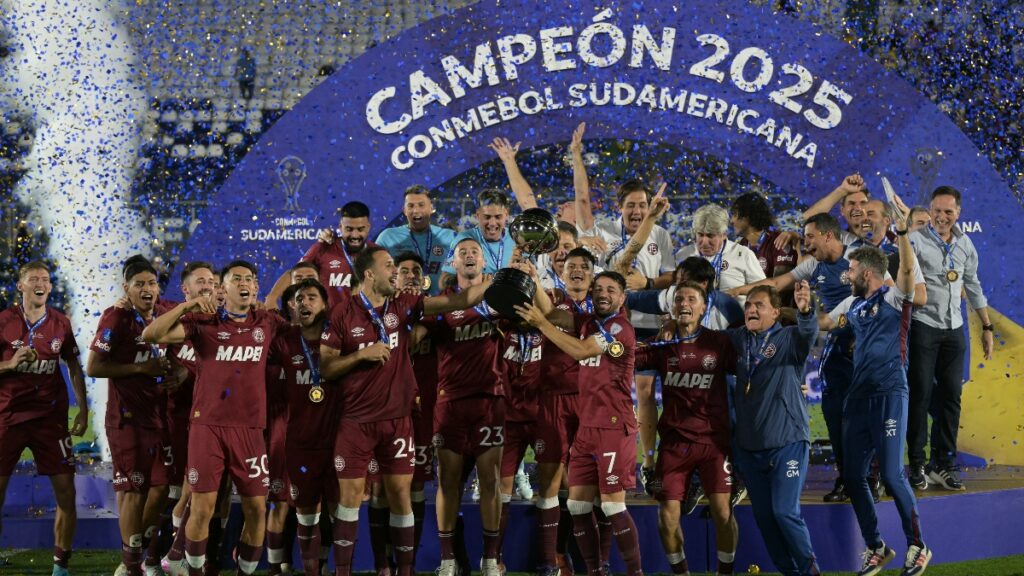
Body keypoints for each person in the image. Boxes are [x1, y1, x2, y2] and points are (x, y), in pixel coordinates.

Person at [319, 246, 490, 576]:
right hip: (355, 422)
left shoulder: (404, 305)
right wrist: (359, 355)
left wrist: (497, 280)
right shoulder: (342, 314)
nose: (395, 271)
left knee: (400, 495)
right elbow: (326, 368)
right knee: (351, 499)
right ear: (370, 274)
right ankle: (343, 572)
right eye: (388, 266)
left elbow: (458, 301)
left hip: (398, 422)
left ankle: (406, 571)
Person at [143, 260, 290, 576]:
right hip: (207, 429)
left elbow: (310, 329)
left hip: (251, 431)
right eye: (236, 278)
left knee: (256, 509)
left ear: (255, 287)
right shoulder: (204, 322)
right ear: (224, 288)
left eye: (250, 278)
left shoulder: (268, 322)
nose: (244, 283)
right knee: (202, 508)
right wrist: (189, 305)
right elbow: (151, 333)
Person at [822, 194, 932, 576]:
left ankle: (917, 546)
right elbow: (827, 325)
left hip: (889, 393)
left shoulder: (892, 298)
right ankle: (876, 546)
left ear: (866, 273)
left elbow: (905, 277)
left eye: (850, 271)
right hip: (858, 399)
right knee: (853, 476)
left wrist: (902, 232)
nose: (846, 276)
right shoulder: (853, 308)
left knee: (890, 474)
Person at [517, 271, 644, 576]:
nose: (603, 293)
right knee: (577, 507)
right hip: (587, 429)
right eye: (598, 288)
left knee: (613, 506)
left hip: (613, 428)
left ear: (622, 297)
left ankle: (635, 572)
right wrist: (534, 283)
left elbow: (581, 350)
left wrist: (542, 324)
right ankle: (595, 571)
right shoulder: (588, 322)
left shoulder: (619, 327)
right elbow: (552, 314)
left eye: (611, 290)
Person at [635, 282, 739, 576]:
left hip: (714, 443)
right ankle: (681, 573)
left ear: (704, 307)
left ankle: (725, 573)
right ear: (671, 308)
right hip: (675, 443)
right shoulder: (661, 344)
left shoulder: (720, 342)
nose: (684, 303)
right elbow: (628, 355)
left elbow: (748, 369)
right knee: (667, 516)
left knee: (722, 511)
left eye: (692, 299)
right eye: (679, 298)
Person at [87, 259, 178, 576]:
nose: (146, 289)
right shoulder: (116, 317)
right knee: (132, 490)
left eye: (151, 283)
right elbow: (93, 367)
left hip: (159, 416)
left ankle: (134, 556)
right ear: (126, 288)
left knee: (162, 489)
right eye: (138, 284)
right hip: (126, 419)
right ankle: (130, 565)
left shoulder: (167, 310)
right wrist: (142, 369)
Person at [0, 260, 88, 576]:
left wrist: (84, 409)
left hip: (50, 420)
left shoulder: (60, 323)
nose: (41, 283)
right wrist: (10, 365)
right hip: (9, 417)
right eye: (34, 278)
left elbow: (75, 366)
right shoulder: (3, 321)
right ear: (20, 286)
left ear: (50, 287)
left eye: (46, 279)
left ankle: (60, 566)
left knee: (67, 491)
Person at [431, 238, 512, 576]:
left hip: (488, 400)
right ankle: (448, 560)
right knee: (448, 483)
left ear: (484, 263)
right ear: (453, 261)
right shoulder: (441, 305)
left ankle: (490, 559)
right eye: (462, 252)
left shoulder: (500, 298)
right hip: (449, 402)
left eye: (474, 252)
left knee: (491, 481)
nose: (468, 255)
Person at [728, 283, 820, 576]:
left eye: (759, 305)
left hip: (787, 442)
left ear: (776, 313)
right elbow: (702, 341)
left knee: (784, 511)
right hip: (749, 446)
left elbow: (808, 334)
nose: (751, 310)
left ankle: (809, 571)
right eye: (748, 306)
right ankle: (789, 572)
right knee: (765, 518)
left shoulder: (789, 338)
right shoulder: (736, 340)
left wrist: (806, 312)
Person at [906, 186, 993, 491]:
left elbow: (973, 284)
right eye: (937, 211)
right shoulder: (913, 241)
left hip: (954, 330)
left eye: (948, 212)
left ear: (958, 213)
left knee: (951, 399)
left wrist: (986, 327)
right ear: (929, 212)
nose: (941, 217)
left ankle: (942, 464)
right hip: (923, 326)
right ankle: (916, 463)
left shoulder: (965, 244)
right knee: (919, 397)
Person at [534, 247, 599, 576]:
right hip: (555, 399)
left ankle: (595, 563)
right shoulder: (551, 296)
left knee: (591, 483)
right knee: (549, 479)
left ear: (592, 273)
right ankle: (549, 561)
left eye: (583, 267)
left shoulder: (604, 303)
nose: (577, 271)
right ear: (561, 271)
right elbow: (549, 313)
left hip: (592, 402)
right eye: (570, 266)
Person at [267, 279, 337, 576]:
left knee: (338, 512)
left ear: (324, 304)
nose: (304, 303)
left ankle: (325, 566)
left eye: (311, 297)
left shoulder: (339, 338)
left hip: (338, 440)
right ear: (292, 306)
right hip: (299, 442)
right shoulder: (284, 341)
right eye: (299, 298)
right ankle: (305, 569)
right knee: (305, 512)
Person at [265, 201, 375, 309]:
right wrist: (272, 298)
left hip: (363, 321)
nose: (355, 235)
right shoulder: (323, 248)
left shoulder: (377, 253)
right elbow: (294, 273)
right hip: (329, 323)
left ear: (368, 227)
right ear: (340, 226)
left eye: (360, 229)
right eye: (349, 229)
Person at [375, 185, 457, 295]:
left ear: (431, 208)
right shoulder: (387, 237)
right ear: (404, 210)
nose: (416, 210)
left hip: (442, 306)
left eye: (421, 205)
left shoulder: (450, 237)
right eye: (411, 206)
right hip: (401, 306)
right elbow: (376, 275)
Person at [673, 204, 766, 295]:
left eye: (710, 235)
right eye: (700, 235)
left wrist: (737, 291)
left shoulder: (743, 254)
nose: (704, 242)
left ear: (724, 234)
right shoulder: (683, 255)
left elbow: (764, 289)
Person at [440, 189, 516, 285]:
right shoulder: (463, 239)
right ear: (478, 215)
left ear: (506, 214)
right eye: (487, 217)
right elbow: (443, 282)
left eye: (498, 217)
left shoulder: (516, 239)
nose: (492, 223)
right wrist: (474, 278)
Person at [730, 192, 798, 280]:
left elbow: (780, 286)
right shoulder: (740, 245)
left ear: (746, 216)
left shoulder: (779, 241)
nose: (731, 221)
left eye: (735, 215)